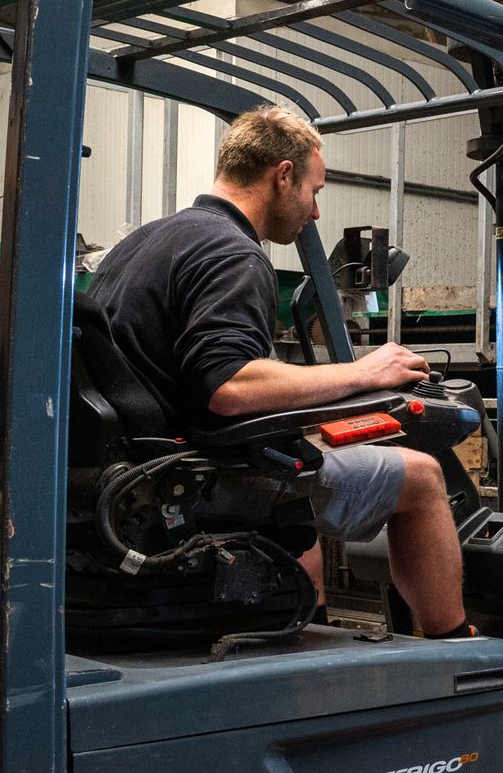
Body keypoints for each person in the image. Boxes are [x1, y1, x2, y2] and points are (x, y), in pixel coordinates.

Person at [88, 105, 471, 638]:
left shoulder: (144, 242)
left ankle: (296, 632)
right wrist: (365, 373)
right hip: (191, 478)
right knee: (422, 478)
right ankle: (459, 649)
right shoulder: (232, 253)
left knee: (302, 499)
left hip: (135, 468)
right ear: (283, 175)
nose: (315, 212)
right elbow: (229, 385)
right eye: (315, 192)